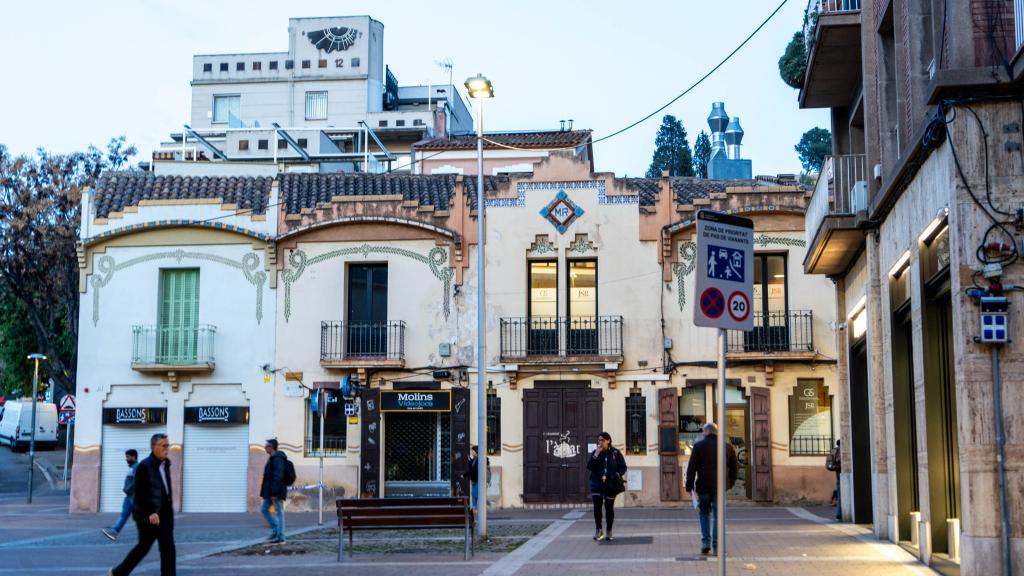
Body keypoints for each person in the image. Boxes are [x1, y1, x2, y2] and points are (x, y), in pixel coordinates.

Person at [108, 433, 175, 576]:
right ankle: (118, 573)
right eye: (163, 446)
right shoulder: (144, 466)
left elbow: (164, 491)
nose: (166, 449)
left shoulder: (166, 464)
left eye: (167, 445)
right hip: (148, 517)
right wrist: (150, 512)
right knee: (143, 548)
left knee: (168, 549)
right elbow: (140, 493)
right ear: (154, 447)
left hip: (164, 516)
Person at [685, 422, 739, 556]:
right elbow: (735, 468)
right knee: (718, 516)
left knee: (703, 514)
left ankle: (705, 543)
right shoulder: (727, 447)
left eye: (703, 432)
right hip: (720, 488)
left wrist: (689, 485)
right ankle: (717, 547)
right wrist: (730, 483)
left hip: (703, 487)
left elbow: (691, 468)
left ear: (706, 432)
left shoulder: (698, 446)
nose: (703, 434)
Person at [586, 431, 627, 542]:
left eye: (602, 440)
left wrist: (617, 474)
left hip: (610, 485)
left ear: (608, 441)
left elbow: (623, 467)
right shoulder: (596, 452)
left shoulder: (615, 453)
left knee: (609, 509)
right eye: (598, 440)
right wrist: (596, 455)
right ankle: (599, 530)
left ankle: (609, 531)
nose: (600, 442)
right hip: (596, 484)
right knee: (597, 509)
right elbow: (589, 467)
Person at [102, 449, 139, 541]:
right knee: (124, 514)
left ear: (134, 457)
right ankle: (115, 530)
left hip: (134, 496)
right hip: (129, 496)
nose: (126, 459)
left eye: (128, 457)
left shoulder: (137, 467)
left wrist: (129, 489)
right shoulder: (132, 467)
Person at [260, 438, 287, 543]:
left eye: (266, 446)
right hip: (270, 491)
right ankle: (275, 530)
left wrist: (275, 492)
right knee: (264, 509)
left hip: (276, 491)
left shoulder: (278, 459)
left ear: (271, 447)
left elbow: (278, 476)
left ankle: (281, 537)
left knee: (279, 512)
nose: (265, 447)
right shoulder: (272, 458)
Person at [462, 445, 489, 512]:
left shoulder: (479, 460)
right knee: (474, 495)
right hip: (475, 480)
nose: (471, 452)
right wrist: (469, 461)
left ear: (476, 451)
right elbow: (471, 468)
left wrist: (465, 475)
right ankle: (475, 508)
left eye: (472, 450)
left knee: (476, 495)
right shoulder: (475, 459)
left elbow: (474, 471)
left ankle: (478, 508)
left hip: (478, 480)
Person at [827, 439, 842, 520]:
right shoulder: (839, 452)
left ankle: (839, 514)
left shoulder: (834, 451)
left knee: (839, 496)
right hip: (841, 475)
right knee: (840, 495)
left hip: (838, 476)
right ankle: (839, 514)